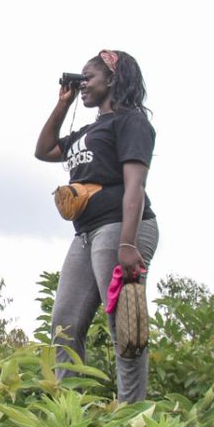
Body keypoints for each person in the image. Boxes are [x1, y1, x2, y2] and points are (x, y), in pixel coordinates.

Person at [35, 50, 158, 402]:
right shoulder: (88, 130)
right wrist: (64, 103)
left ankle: (129, 413)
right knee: (64, 324)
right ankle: (71, 409)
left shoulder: (130, 122)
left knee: (126, 326)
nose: (83, 83)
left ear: (113, 79)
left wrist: (128, 243)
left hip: (120, 227)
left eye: (88, 77)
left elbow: (135, 184)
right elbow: (43, 150)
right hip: (86, 234)